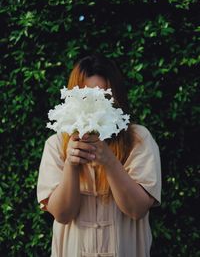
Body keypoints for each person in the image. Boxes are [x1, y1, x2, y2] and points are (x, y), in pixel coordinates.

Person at [37, 54, 161, 257]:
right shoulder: (56, 145)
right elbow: (62, 214)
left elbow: (137, 209)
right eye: (86, 98)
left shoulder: (139, 139)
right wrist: (71, 163)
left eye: (104, 98)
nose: (95, 107)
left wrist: (109, 161)